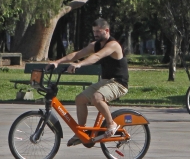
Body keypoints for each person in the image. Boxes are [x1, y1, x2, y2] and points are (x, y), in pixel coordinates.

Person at [48, 18, 129, 146]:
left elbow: (97, 56)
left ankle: (111, 124)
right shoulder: (95, 45)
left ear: (106, 30)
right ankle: (81, 132)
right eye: (94, 31)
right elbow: (77, 54)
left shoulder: (113, 45)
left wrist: (79, 65)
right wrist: (57, 62)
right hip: (106, 81)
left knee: (97, 98)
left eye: (98, 31)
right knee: (80, 99)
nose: (95, 34)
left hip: (118, 83)